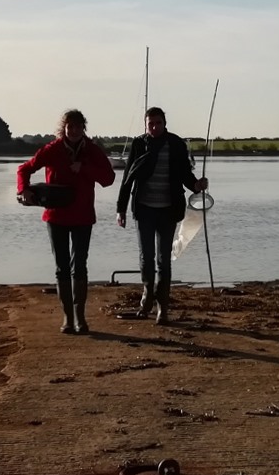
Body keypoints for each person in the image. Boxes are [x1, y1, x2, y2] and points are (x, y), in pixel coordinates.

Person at [16, 109, 115, 334]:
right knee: (62, 268)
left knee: (79, 266)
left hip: (83, 216)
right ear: (64, 128)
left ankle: (80, 319)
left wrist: (85, 169)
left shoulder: (92, 150)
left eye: (78, 127)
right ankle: (67, 319)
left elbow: (109, 179)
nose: (74, 131)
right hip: (56, 217)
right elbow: (24, 169)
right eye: (70, 127)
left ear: (83, 128)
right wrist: (24, 190)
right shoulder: (52, 149)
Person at [115, 107, 208, 324]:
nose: (154, 127)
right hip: (144, 210)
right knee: (146, 258)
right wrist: (121, 209)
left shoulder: (176, 144)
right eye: (151, 124)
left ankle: (162, 308)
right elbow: (128, 178)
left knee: (163, 260)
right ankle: (147, 298)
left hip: (168, 210)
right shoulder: (139, 144)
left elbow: (185, 174)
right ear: (145, 125)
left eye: (158, 123)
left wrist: (197, 185)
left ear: (165, 124)